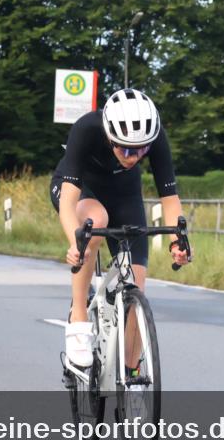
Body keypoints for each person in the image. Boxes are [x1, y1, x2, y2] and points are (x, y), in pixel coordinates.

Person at [49, 88, 188, 369]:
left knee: (137, 284)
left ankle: (131, 373)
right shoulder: (87, 129)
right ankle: (78, 317)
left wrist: (178, 241)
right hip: (77, 188)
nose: (133, 157)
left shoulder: (156, 136)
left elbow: (170, 199)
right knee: (95, 221)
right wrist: (75, 242)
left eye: (141, 150)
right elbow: (68, 205)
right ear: (110, 136)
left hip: (124, 194)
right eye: (125, 149)